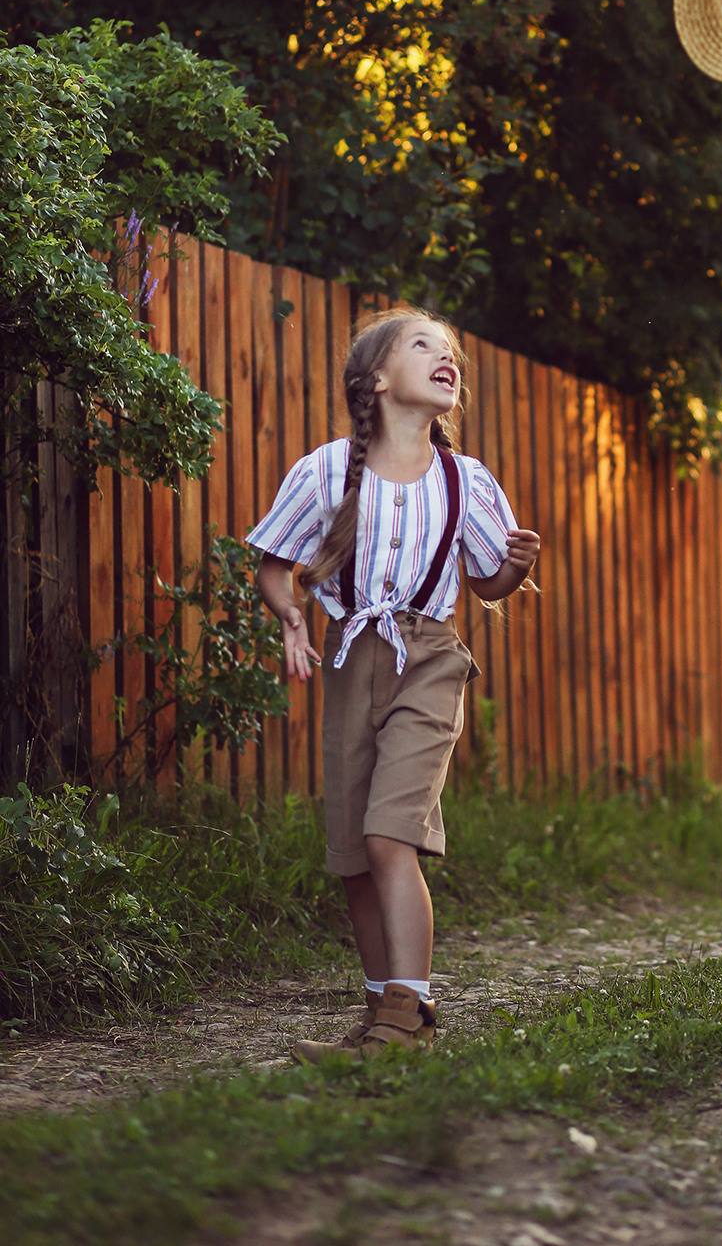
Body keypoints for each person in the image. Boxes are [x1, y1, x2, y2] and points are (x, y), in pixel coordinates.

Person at [247, 306, 540, 1061]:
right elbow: (276, 564)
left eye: (452, 354)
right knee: (353, 854)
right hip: (350, 657)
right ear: (377, 379)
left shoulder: (465, 481)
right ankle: (381, 1019)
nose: (447, 359)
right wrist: (288, 615)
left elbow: (487, 583)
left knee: (389, 836)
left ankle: (411, 1018)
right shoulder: (323, 470)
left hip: (431, 658)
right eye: (425, 347)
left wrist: (516, 566)